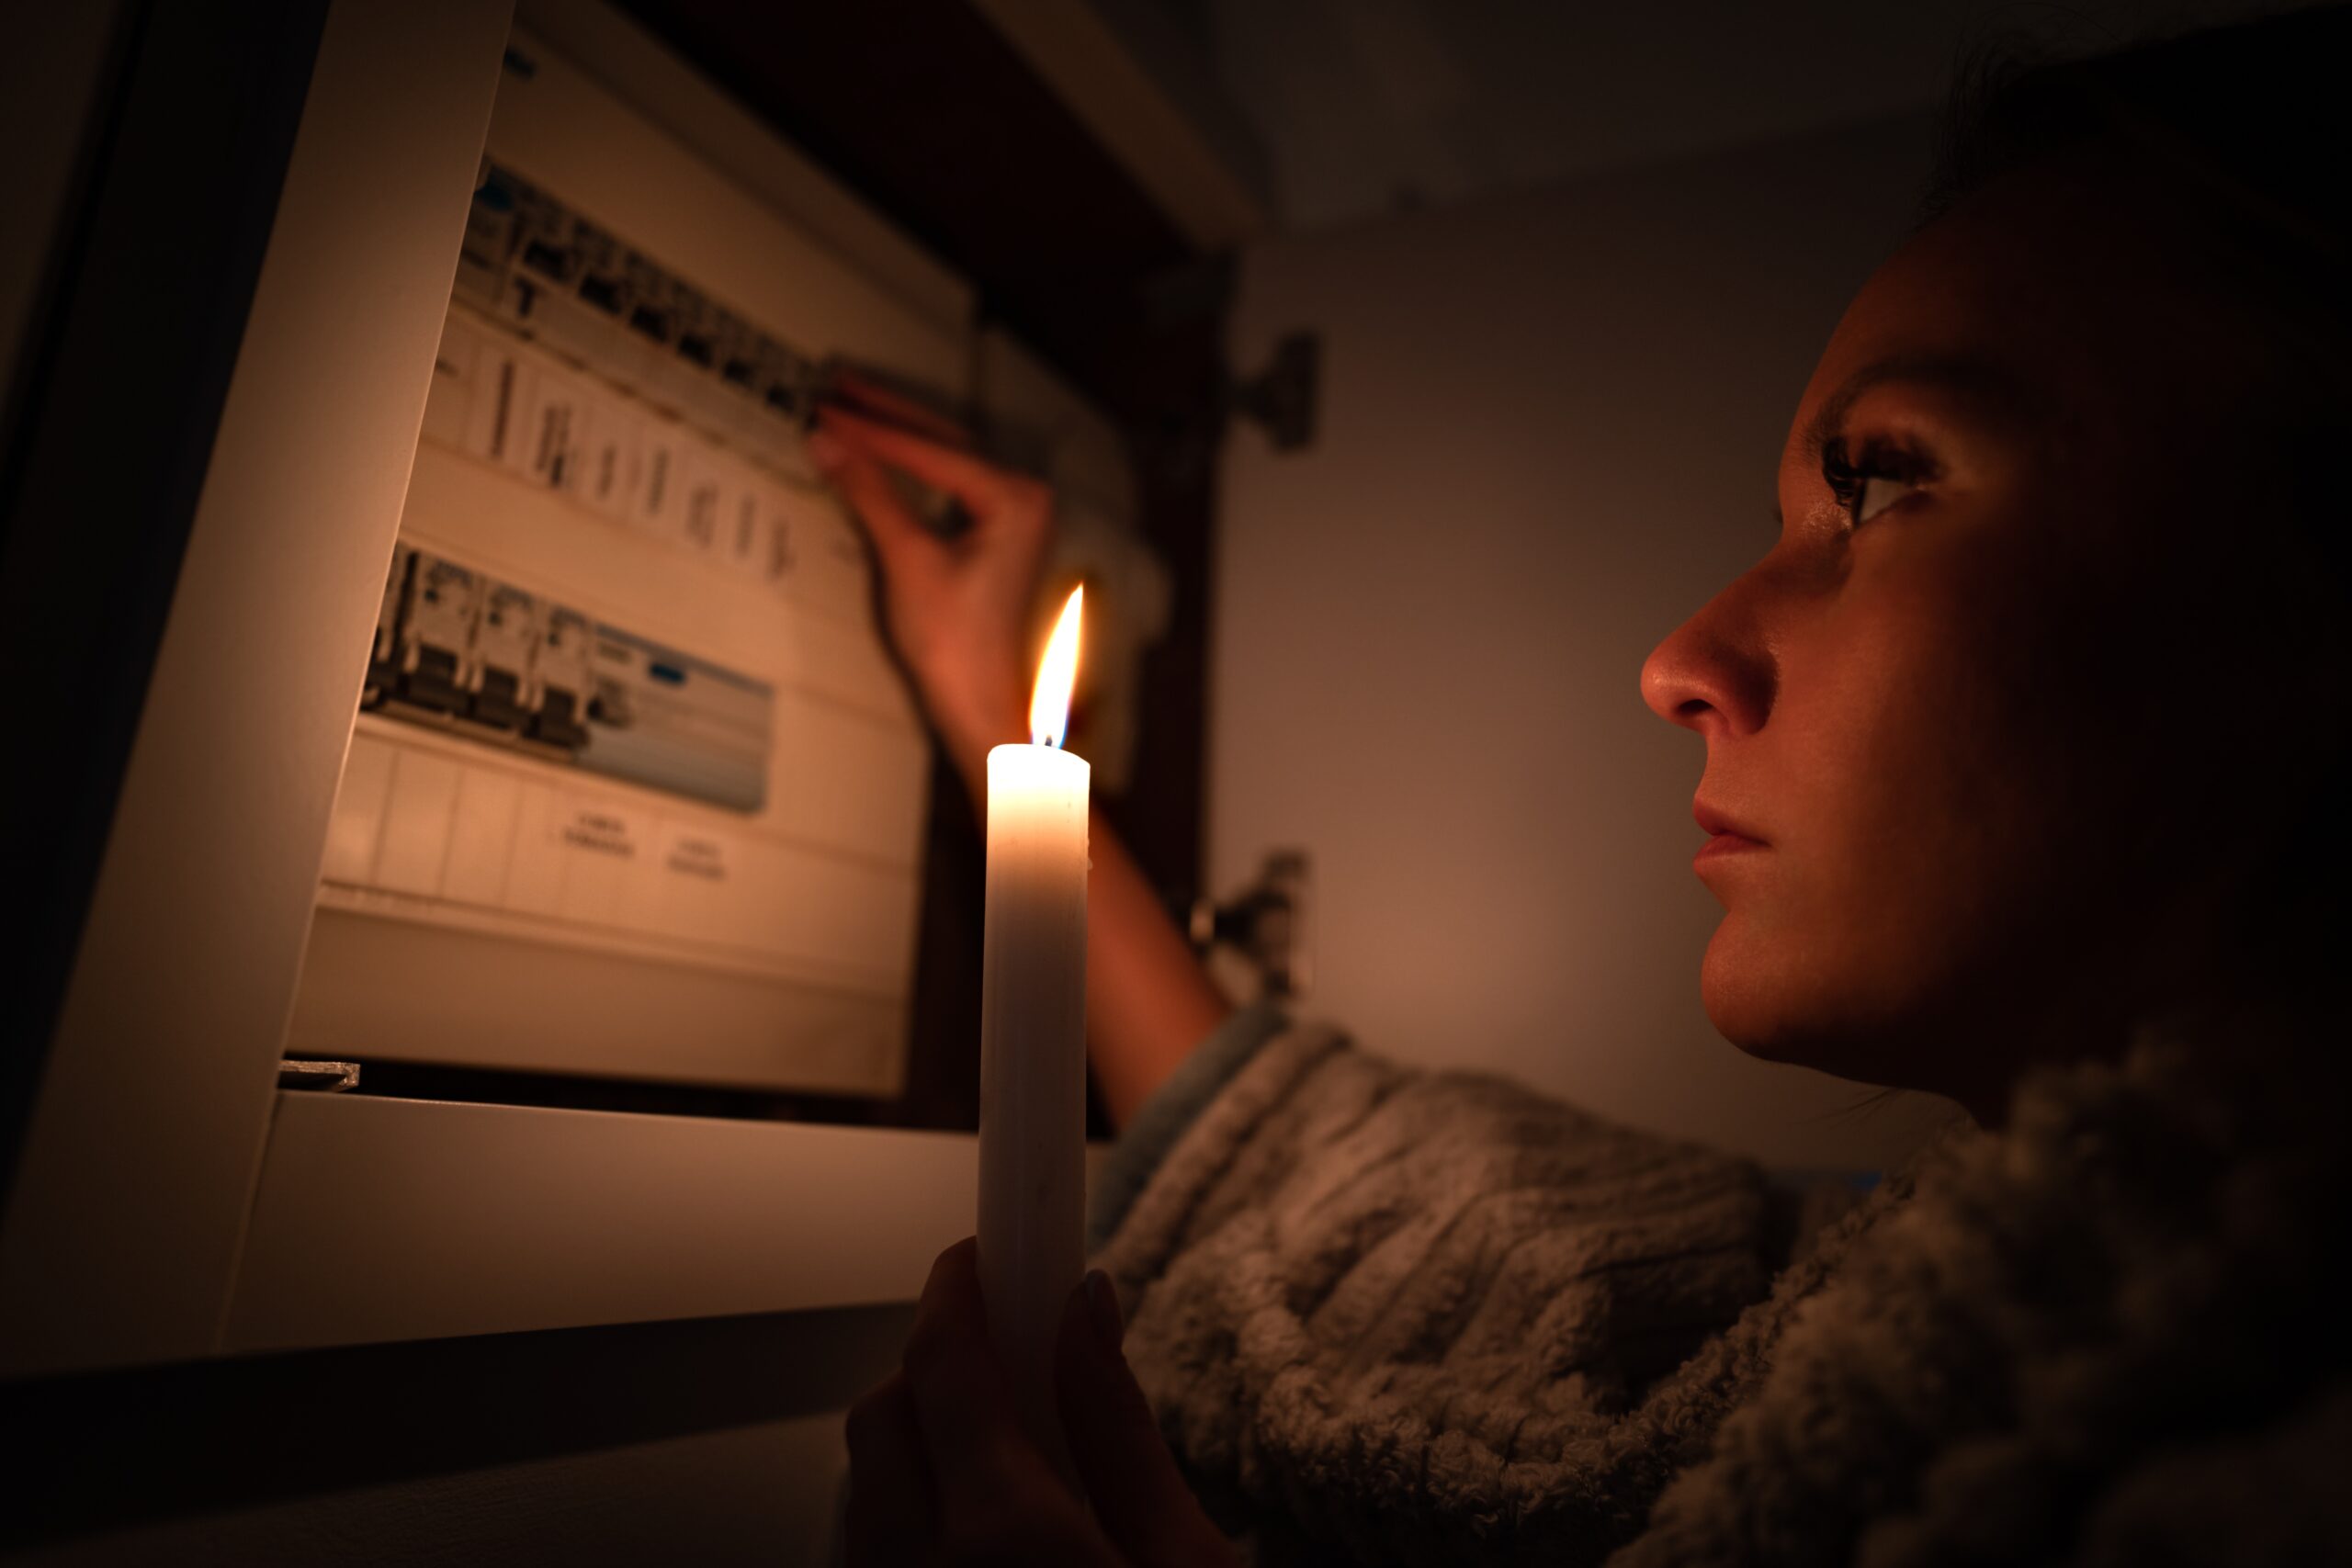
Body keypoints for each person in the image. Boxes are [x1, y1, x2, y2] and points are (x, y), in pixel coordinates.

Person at [817, 10, 2352, 1564]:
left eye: (1876, 484)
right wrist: (988, 710)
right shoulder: (1942, 1288)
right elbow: (1377, 1185)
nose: (1679, 659)